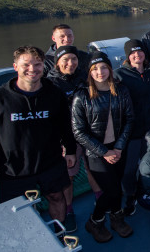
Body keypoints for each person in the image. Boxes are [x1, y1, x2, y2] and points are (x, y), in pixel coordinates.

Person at [0, 46, 76, 231]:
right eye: (26, 64)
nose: (32, 69)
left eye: (37, 64)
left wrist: (70, 149)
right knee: (15, 210)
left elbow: (65, 126)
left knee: (57, 197)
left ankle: (60, 234)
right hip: (13, 169)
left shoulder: (54, 95)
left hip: (50, 162)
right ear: (15, 66)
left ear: (43, 66)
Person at [72, 51, 134, 243]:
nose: (100, 72)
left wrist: (119, 147)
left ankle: (116, 218)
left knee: (116, 187)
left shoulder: (120, 90)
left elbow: (129, 119)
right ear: (89, 72)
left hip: (118, 148)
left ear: (109, 68)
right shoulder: (81, 96)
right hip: (96, 152)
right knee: (112, 190)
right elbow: (78, 131)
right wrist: (104, 151)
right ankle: (95, 221)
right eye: (95, 69)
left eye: (104, 67)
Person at [47, 45, 101, 233]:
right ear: (57, 62)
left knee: (92, 167)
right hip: (67, 136)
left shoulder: (83, 77)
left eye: (74, 59)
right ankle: (68, 210)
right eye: (66, 60)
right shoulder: (51, 84)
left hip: (88, 131)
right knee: (69, 174)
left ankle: (99, 198)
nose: (70, 63)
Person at [114, 39, 150, 216]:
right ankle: (130, 196)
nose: (137, 55)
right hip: (131, 131)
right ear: (127, 56)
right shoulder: (120, 75)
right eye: (132, 52)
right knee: (129, 169)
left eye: (140, 51)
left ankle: (146, 192)